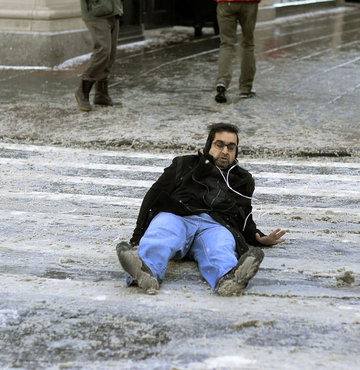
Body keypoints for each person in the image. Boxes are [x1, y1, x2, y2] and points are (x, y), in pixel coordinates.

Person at [116, 123, 286, 296]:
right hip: (178, 216)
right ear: (208, 145)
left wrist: (260, 238)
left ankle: (228, 279)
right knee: (161, 234)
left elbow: (244, 216)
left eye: (231, 147)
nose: (225, 151)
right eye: (219, 145)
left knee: (221, 247)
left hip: (214, 225)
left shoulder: (242, 179)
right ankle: (145, 272)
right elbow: (154, 195)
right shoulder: (185, 164)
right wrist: (136, 237)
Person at [75, 0, 123, 111]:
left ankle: (101, 95)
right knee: (102, 52)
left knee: (110, 54)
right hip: (97, 13)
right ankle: (82, 91)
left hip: (113, 10)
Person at [215, 0, 260, 103]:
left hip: (226, 3)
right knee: (248, 44)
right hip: (249, 3)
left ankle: (222, 81)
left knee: (226, 44)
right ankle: (245, 88)